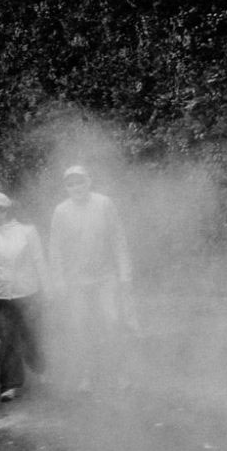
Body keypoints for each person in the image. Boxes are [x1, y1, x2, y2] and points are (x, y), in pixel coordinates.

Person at [47, 165, 134, 392]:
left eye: (80, 182)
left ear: (89, 182)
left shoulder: (104, 203)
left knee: (112, 322)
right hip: (76, 280)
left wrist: (125, 273)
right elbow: (55, 249)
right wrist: (58, 281)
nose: (76, 187)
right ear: (66, 188)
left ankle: (120, 373)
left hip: (106, 277)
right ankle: (87, 374)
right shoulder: (61, 211)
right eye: (70, 184)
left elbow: (118, 238)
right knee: (80, 327)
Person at [0, 191, 51, 402]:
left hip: (28, 293)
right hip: (0, 296)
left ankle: (41, 370)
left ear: (6, 211)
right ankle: (10, 385)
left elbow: (39, 261)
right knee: (7, 340)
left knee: (31, 336)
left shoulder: (27, 232)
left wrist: (48, 290)